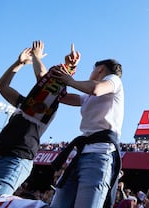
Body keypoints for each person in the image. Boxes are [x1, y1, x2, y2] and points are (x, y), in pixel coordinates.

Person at [0, 41, 80, 196]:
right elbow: (1, 85)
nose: (45, 80)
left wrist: (36, 57)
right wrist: (19, 63)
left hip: (14, 161)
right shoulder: (25, 103)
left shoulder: (47, 105)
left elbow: (44, 77)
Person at [49, 58, 124, 208]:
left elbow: (96, 89)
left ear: (100, 69)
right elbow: (64, 97)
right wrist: (61, 73)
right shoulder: (88, 95)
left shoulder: (113, 80)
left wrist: (70, 80)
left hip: (99, 155)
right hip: (81, 154)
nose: (91, 73)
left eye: (92, 69)